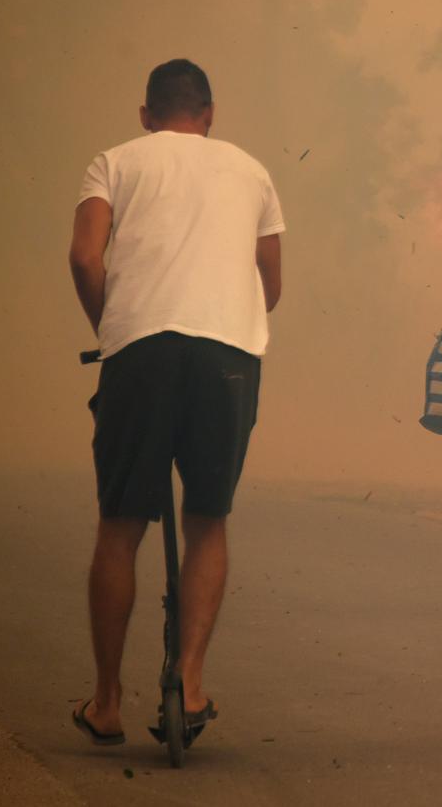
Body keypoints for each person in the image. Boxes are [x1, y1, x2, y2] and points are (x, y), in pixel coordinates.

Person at [67, 59, 284, 745]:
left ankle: (106, 701)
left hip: (140, 350)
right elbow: (270, 280)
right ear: (209, 113)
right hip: (227, 354)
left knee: (121, 526)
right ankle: (190, 684)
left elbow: (84, 256)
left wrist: (114, 325)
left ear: (146, 114)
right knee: (208, 519)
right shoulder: (251, 170)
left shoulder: (114, 161)